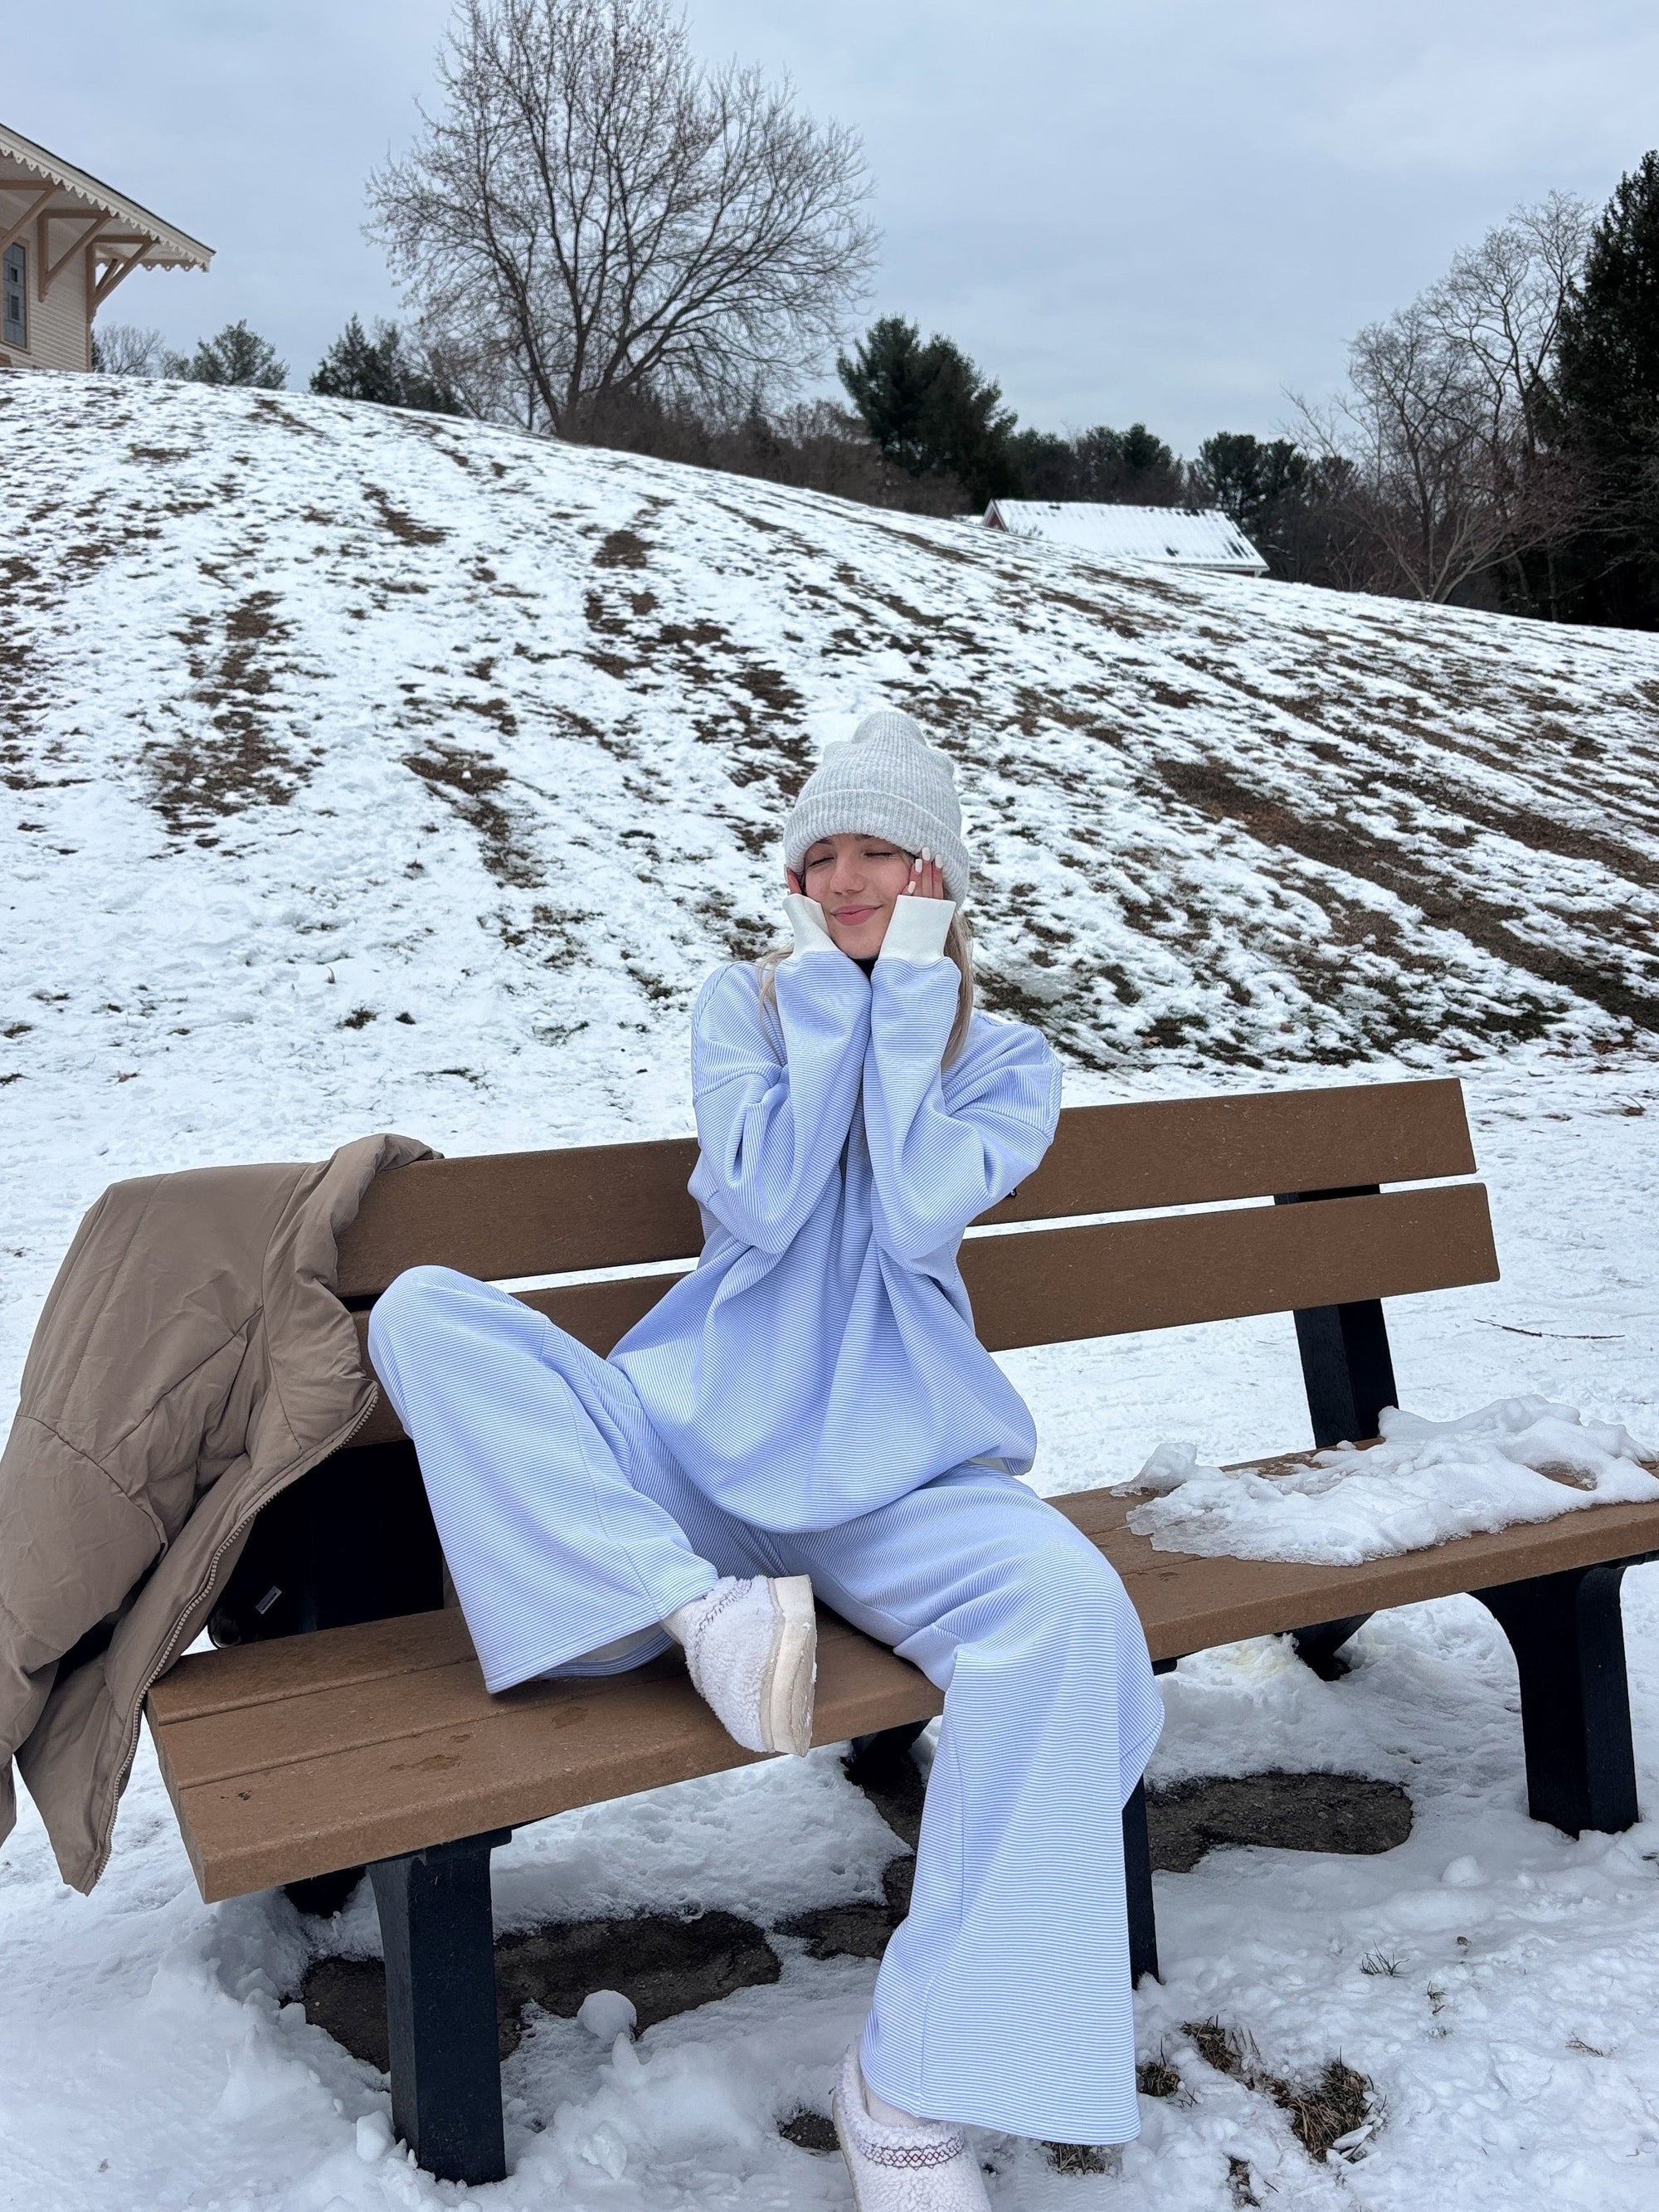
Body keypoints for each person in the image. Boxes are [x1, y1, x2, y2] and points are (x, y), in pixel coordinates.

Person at [367, 709, 1164, 2205]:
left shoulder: (1005, 1059)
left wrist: (905, 1001)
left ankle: (910, 2084)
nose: (846, 877)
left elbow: (920, 1209)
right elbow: (766, 1197)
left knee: (1069, 1615)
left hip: (897, 1477)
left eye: (879, 851)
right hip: (688, 1450)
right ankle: (693, 1612)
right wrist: (824, 1004)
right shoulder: (742, 1006)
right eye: (823, 854)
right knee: (424, 1311)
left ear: (940, 874)